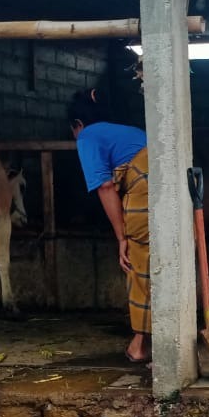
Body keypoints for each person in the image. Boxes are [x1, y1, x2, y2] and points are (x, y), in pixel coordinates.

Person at [67, 89, 153, 364]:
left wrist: (121, 237)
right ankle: (156, 340)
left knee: (138, 264)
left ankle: (141, 345)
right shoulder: (131, 132)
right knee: (161, 264)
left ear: (78, 125)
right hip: (173, 191)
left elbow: (105, 188)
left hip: (145, 193)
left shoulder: (88, 138)